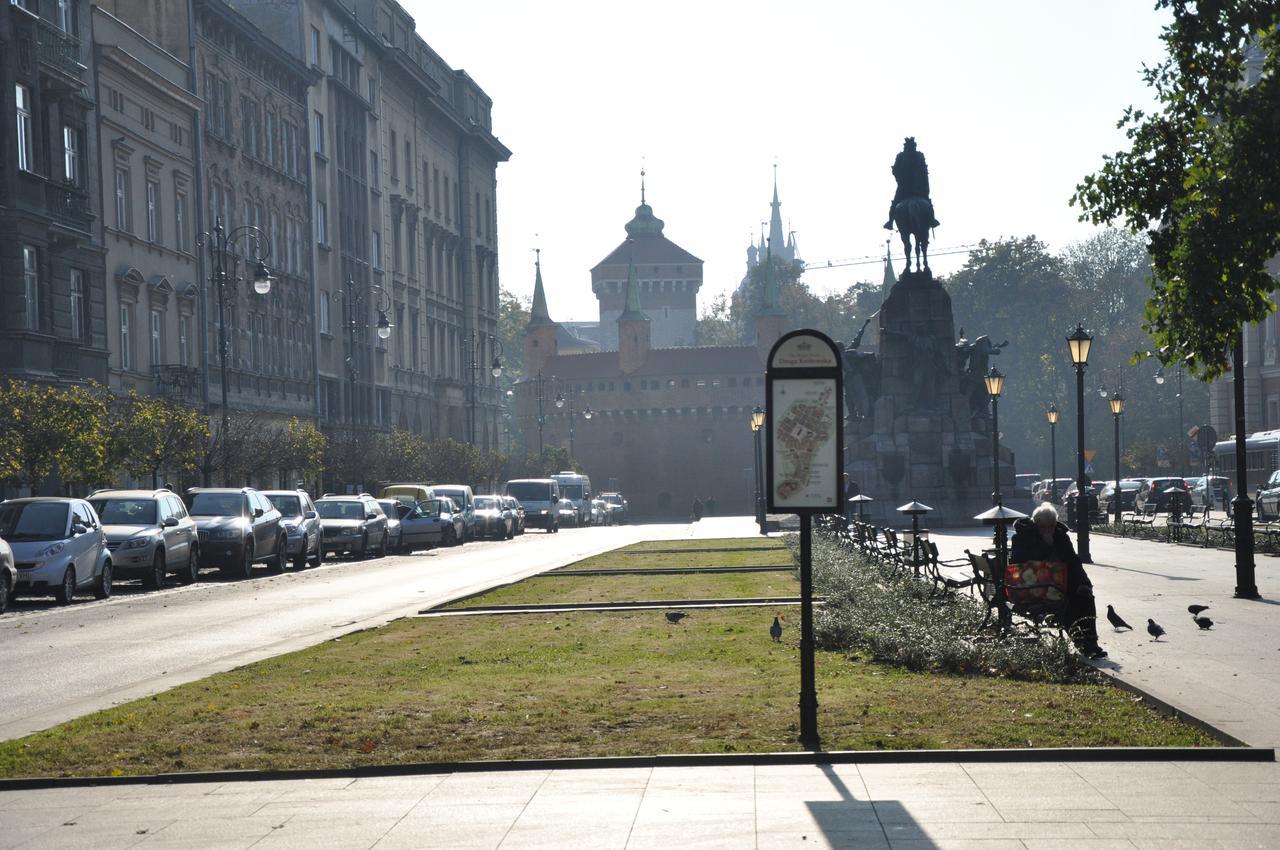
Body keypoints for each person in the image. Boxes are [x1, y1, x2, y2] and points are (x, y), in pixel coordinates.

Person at [1009, 502, 1106, 659]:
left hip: (1063, 584)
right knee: (1065, 601)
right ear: (1036, 525)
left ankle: (1091, 641)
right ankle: (1082, 643)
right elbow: (1019, 564)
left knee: (1085, 597)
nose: (1048, 530)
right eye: (1044, 527)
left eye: (1051, 526)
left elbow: (1074, 562)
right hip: (1035, 587)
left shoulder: (1061, 536)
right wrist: (1046, 546)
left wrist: (1084, 583)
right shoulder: (1022, 538)